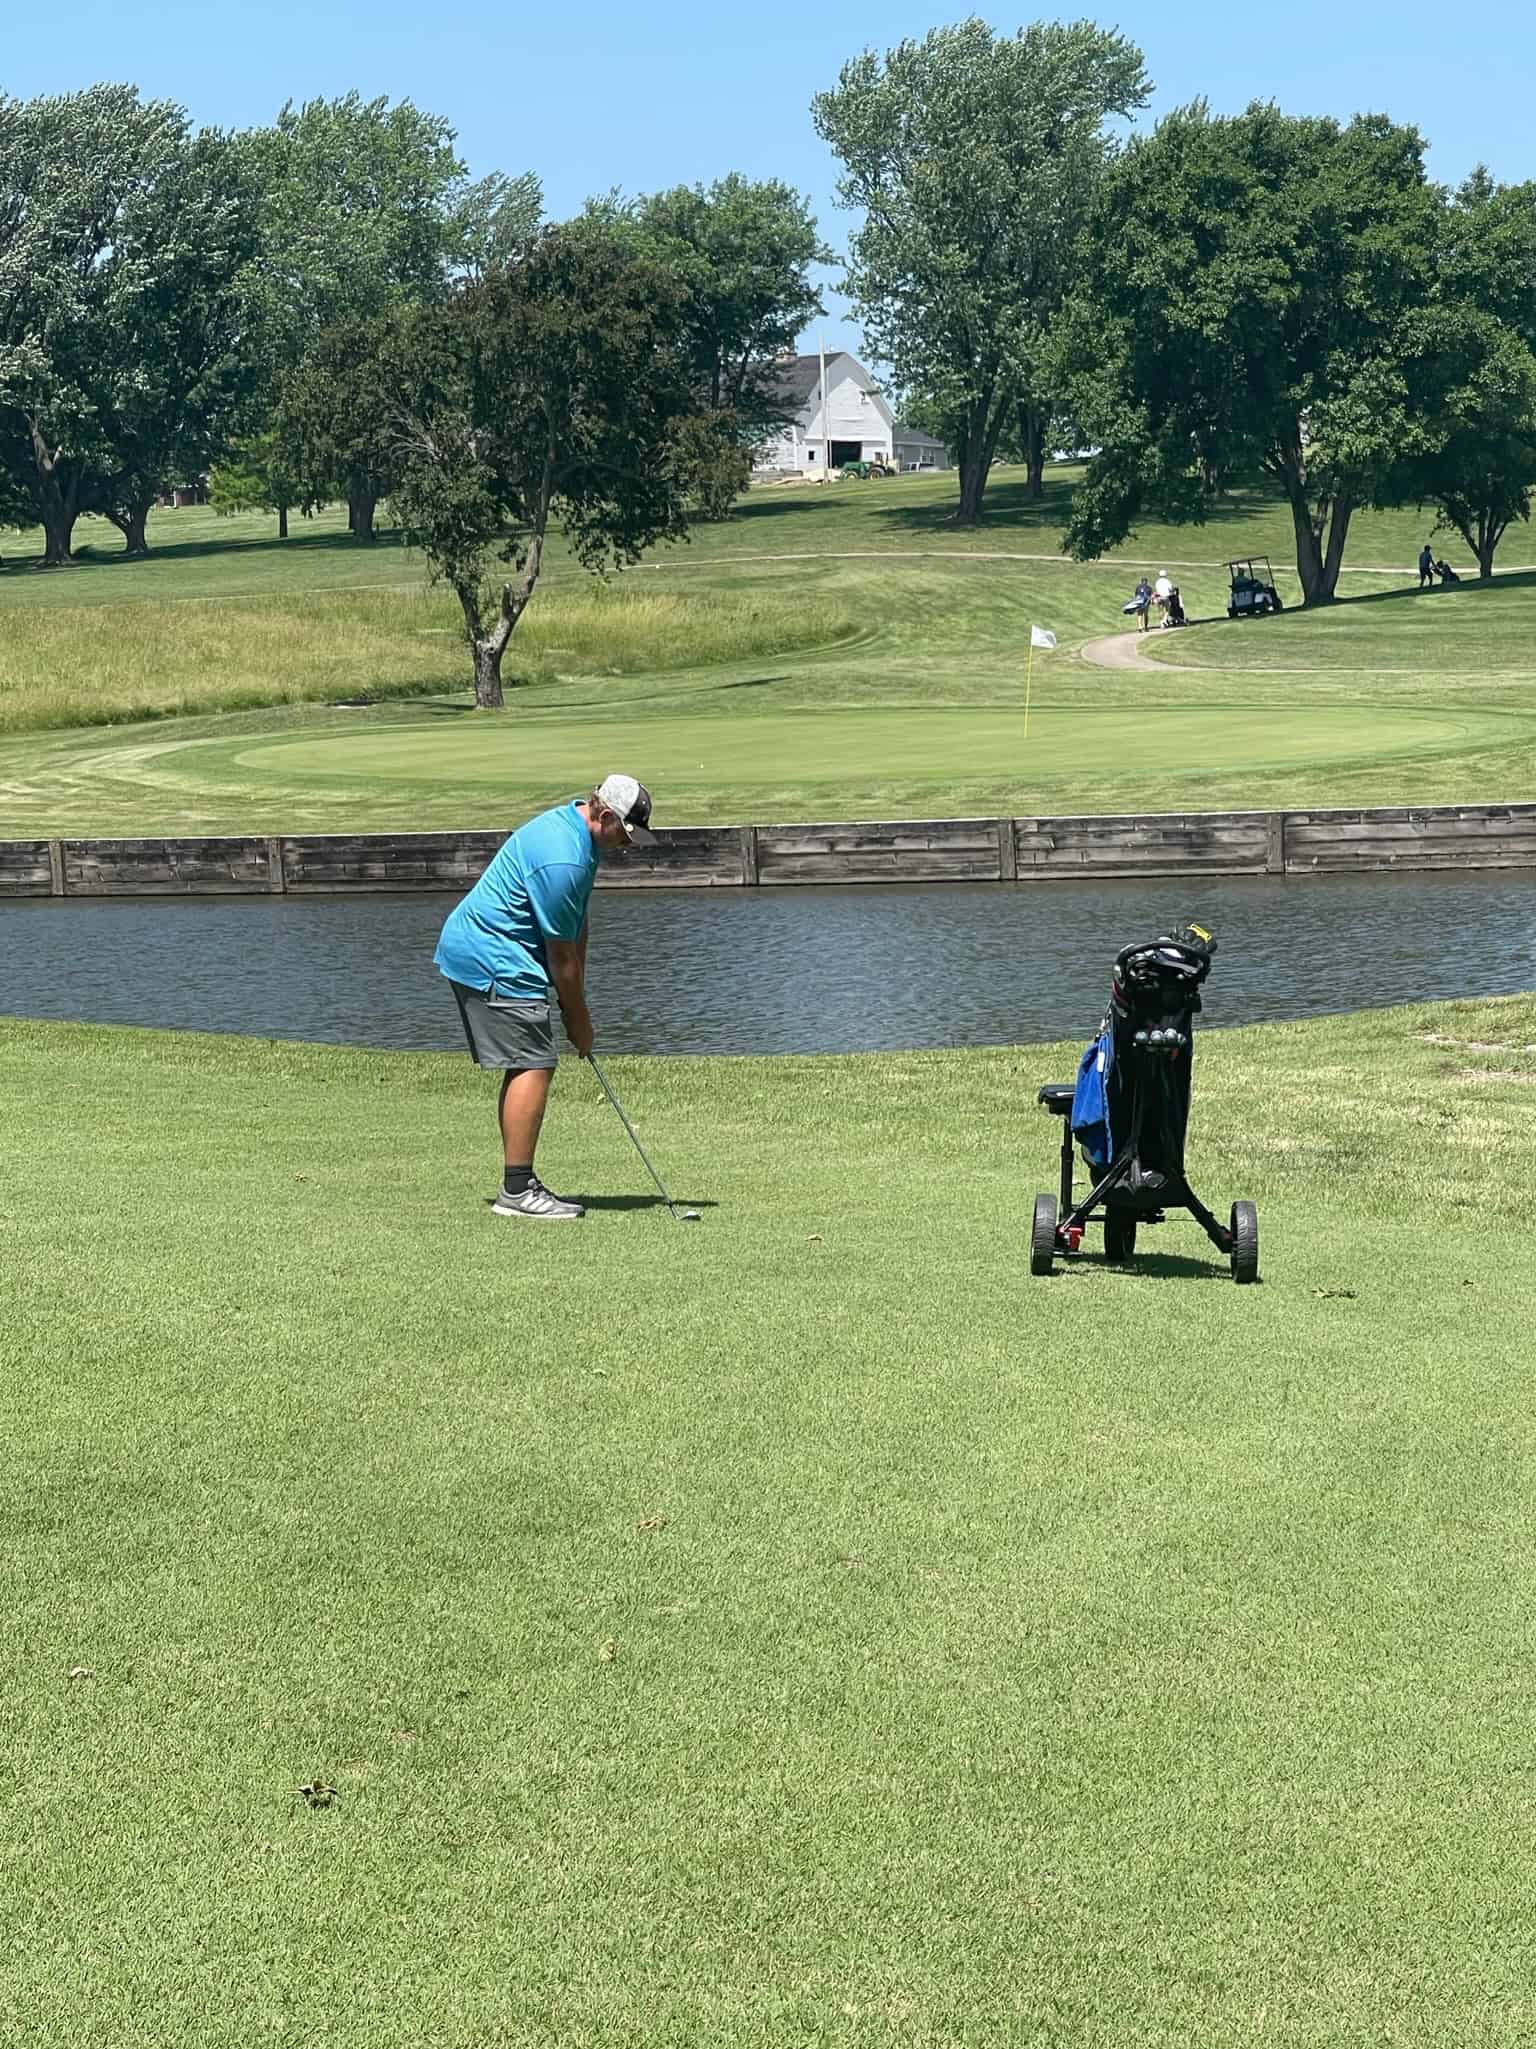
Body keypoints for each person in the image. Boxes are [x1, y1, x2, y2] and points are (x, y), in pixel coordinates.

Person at [434, 774, 656, 1221]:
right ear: (605, 815)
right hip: (492, 954)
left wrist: (577, 998)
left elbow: (575, 927)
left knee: (529, 1060)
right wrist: (578, 1016)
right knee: (534, 1062)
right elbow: (560, 954)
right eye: (625, 834)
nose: (628, 845)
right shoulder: (565, 857)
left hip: (494, 949)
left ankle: (518, 1185)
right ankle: (517, 1191)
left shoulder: (579, 837)